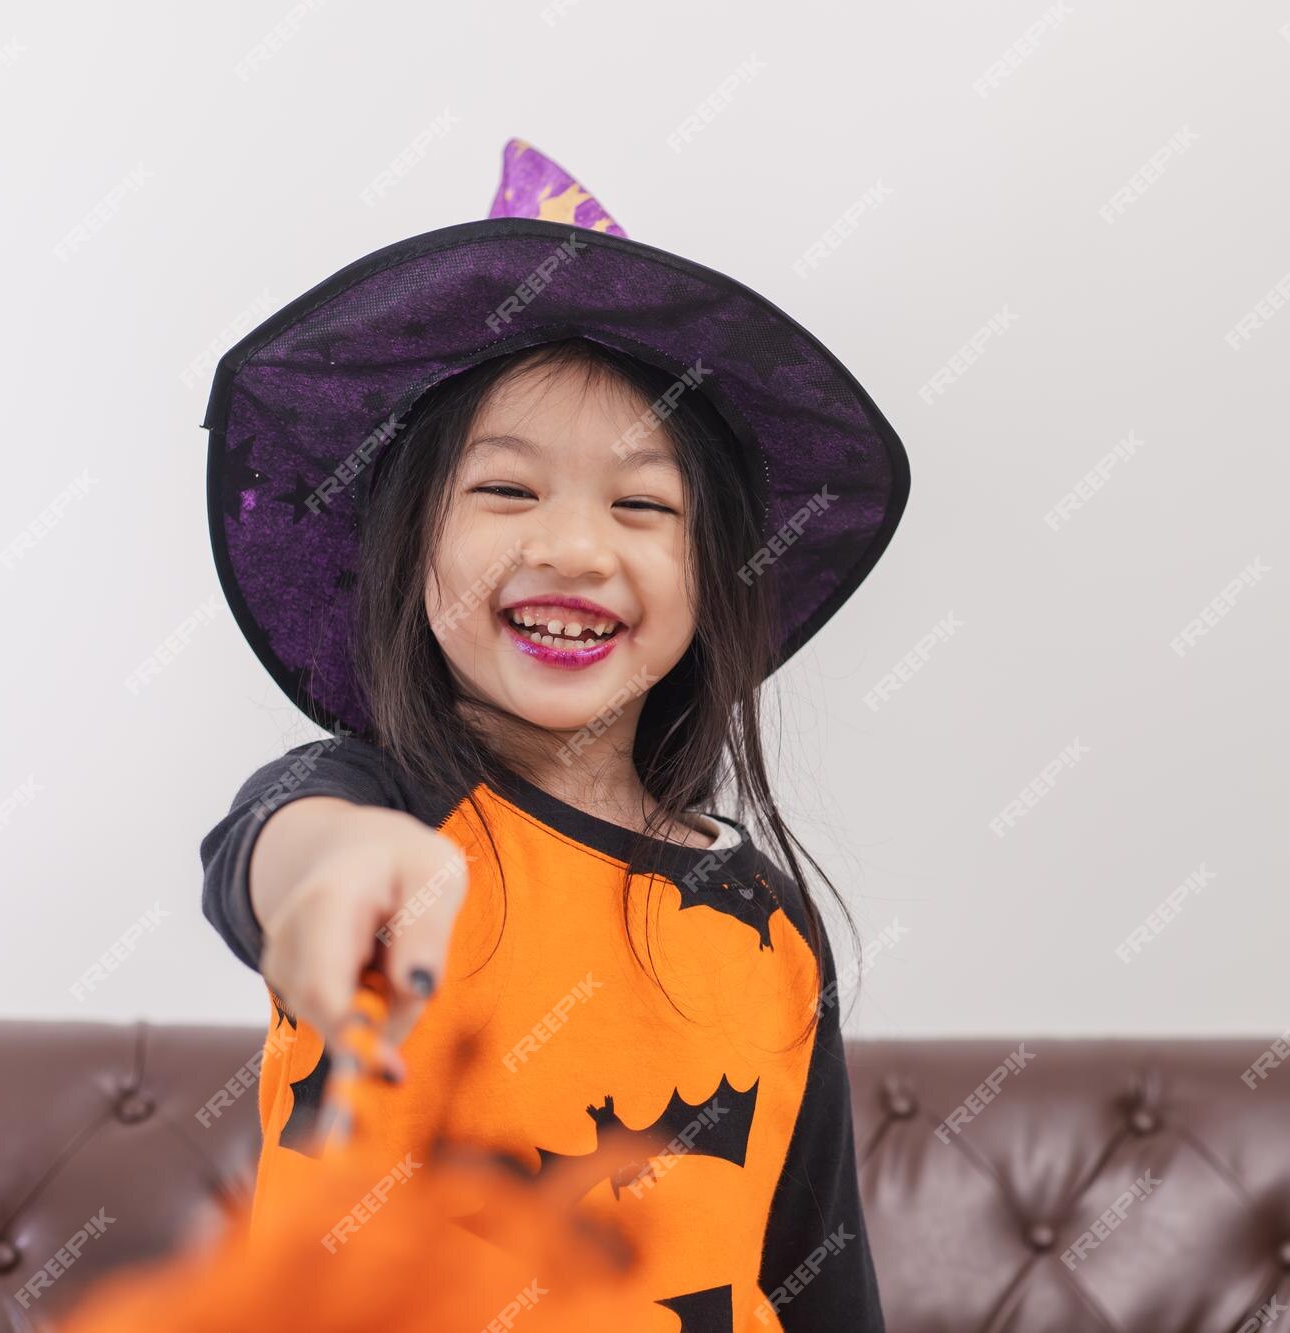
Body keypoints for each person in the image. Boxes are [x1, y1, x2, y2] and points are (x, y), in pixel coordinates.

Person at [196, 137, 909, 1331]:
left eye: (641, 504)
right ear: (405, 549)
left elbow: (819, 1275)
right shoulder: (379, 805)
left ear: (715, 579)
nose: (576, 548)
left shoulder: (762, 923)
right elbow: (269, 849)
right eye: (506, 491)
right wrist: (326, 876)